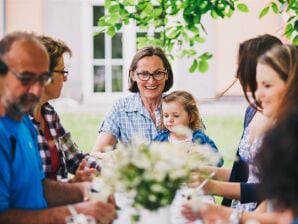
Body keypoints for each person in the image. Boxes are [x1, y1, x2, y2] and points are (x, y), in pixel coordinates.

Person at [0, 31, 116, 223]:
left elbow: (38, 186)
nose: (36, 90)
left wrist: (81, 190)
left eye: (43, 78)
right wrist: (73, 211)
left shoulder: (24, 122)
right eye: (26, 77)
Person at [182, 44, 298, 223]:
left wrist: (223, 212)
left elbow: (284, 217)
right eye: (258, 84)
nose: (258, 95)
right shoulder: (283, 134)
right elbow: (269, 204)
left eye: (267, 85)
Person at [30, 35, 98, 182]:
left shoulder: (49, 114)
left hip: (62, 198)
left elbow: (75, 160)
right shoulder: (15, 122)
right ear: (45, 75)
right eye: (62, 72)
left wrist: (120, 170)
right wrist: (72, 185)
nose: (65, 79)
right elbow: (29, 188)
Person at [92, 46, 174, 152]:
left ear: (166, 75)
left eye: (158, 73)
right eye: (144, 74)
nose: (151, 81)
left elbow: (201, 150)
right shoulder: (120, 109)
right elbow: (96, 154)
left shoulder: (181, 104)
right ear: (133, 75)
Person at [154, 90, 223, 166]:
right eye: (166, 115)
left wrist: (204, 156)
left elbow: (219, 161)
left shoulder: (200, 138)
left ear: (191, 117)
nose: (170, 119)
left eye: (176, 116)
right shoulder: (160, 140)